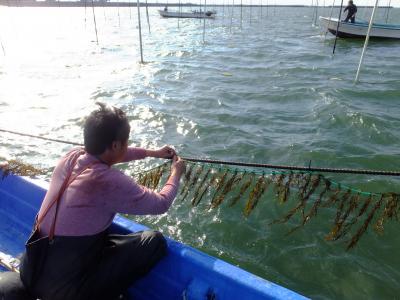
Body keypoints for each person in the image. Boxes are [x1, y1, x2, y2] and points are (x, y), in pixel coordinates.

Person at [9, 103, 185, 300]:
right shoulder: (106, 181)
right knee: (154, 242)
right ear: (116, 145)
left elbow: (115, 153)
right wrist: (175, 173)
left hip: (32, 269)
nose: (126, 146)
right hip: (62, 291)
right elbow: (161, 203)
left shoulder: (72, 156)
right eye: (125, 142)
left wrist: (152, 153)